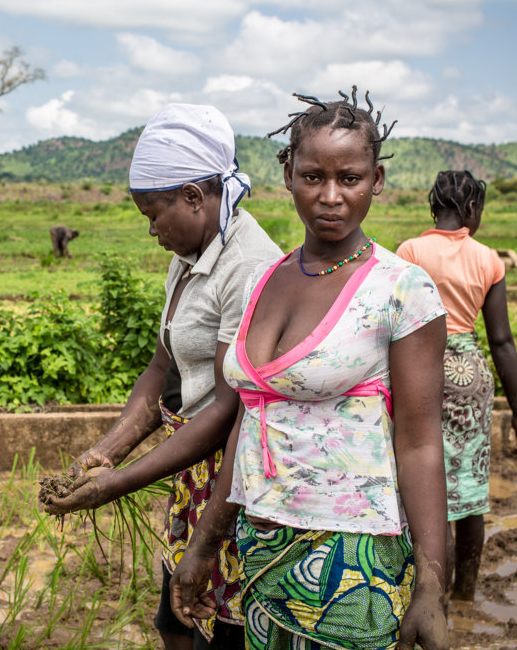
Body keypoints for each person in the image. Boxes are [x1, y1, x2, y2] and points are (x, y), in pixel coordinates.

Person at [170, 89, 451, 650]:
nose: (330, 196)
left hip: (354, 560)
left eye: (349, 178)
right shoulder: (261, 281)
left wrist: (432, 586)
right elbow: (250, 423)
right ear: (287, 174)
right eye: (312, 177)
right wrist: (205, 543)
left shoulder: (401, 288)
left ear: (376, 181)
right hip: (261, 542)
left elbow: (420, 443)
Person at [41, 103, 282, 649]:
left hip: (237, 478)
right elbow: (162, 367)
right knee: (175, 619)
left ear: (195, 197)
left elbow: (228, 410)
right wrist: (105, 452)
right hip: (192, 466)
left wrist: (116, 484)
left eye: (154, 214)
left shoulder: (248, 267)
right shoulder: (190, 252)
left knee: (224, 628)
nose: (151, 230)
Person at [395, 170, 517, 601]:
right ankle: (466, 596)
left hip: (420, 368)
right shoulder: (489, 259)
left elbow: (395, 324)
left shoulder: (411, 251)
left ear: (433, 205)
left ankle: (433, 600)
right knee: (469, 491)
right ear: (472, 209)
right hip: (469, 374)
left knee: (429, 484)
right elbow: (502, 341)